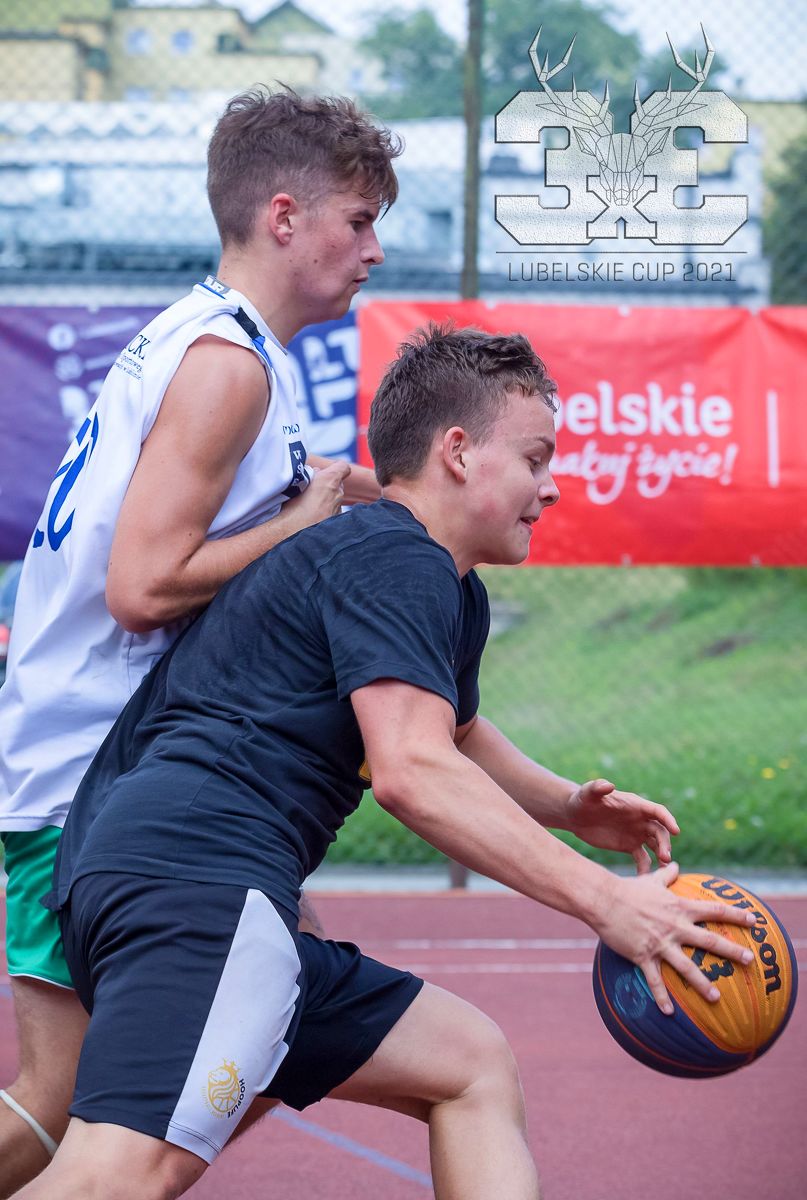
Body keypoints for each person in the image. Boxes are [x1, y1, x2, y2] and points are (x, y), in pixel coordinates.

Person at [14, 326, 758, 1200]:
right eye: (534, 458)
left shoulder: (435, 582)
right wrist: (608, 903)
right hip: (198, 880)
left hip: (165, 872)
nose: (552, 486)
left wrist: (565, 805)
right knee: (118, 1175)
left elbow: (451, 734)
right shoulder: (394, 559)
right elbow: (411, 770)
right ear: (457, 452)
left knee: (468, 1065)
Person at [0, 86, 400, 1194]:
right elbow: (142, 586)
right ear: (284, 217)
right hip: (90, 780)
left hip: (108, 771)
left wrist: (403, 501)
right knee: (68, 1102)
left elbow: (294, 498)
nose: (375, 249)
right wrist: (301, 525)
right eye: (358, 220)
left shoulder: (211, 342)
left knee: (270, 1018)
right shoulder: (226, 367)